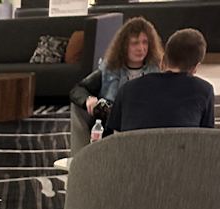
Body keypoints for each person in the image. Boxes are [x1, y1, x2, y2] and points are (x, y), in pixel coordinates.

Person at [68, 17, 162, 151]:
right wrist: (88, 100)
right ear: (123, 46)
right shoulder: (109, 70)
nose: (141, 48)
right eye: (135, 43)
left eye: (145, 42)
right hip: (114, 123)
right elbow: (78, 89)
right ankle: (80, 157)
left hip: (146, 122)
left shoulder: (159, 69)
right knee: (78, 107)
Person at [106, 28, 214, 133]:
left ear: (162, 62)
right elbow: (206, 138)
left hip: (134, 145)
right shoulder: (204, 90)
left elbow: (116, 137)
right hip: (181, 145)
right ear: (195, 68)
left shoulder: (127, 89)